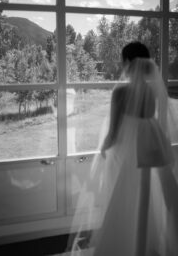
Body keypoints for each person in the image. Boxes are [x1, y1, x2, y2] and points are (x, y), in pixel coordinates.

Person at [67, 42, 178, 256]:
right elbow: (147, 118)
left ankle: (125, 242)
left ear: (128, 62)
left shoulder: (121, 91)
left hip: (126, 149)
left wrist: (104, 148)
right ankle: (144, 242)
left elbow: (114, 130)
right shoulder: (149, 88)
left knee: (123, 192)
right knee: (146, 192)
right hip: (148, 144)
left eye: (122, 60)